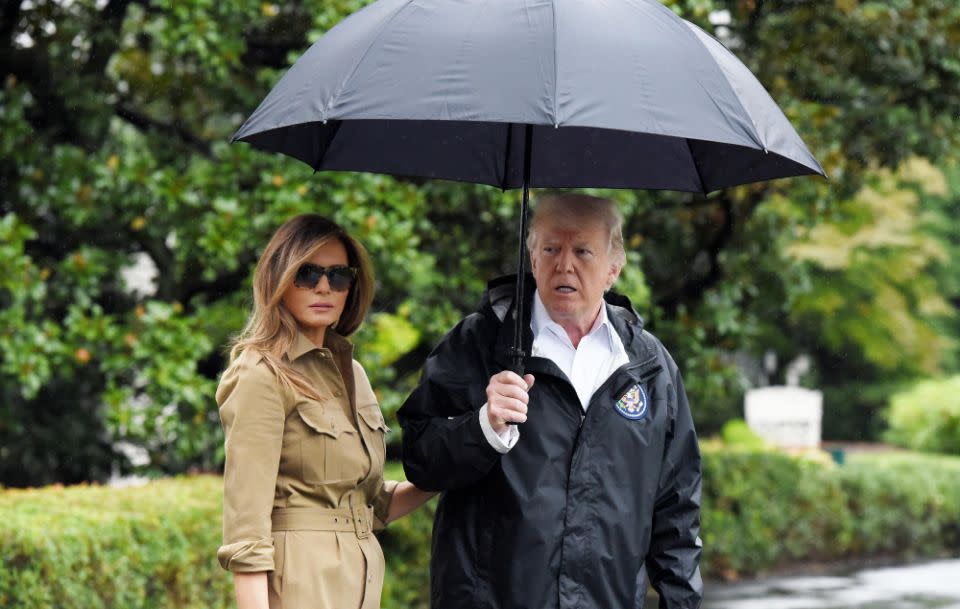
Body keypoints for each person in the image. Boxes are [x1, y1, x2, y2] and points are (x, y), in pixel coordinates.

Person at [398, 193, 703, 609]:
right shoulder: (480, 344)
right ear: (532, 257)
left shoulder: (648, 366)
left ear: (614, 268)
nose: (564, 264)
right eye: (551, 249)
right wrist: (482, 428)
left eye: (582, 251)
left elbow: (677, 508)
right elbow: (419, 457)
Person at [216, 214, 433, 609]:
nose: (323, 287)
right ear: (278, 279)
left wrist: (461, 460)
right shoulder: (260, 374)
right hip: (300, 587)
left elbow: (369, 505)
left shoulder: (353, 374)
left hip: (361, 584)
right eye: (307, 273)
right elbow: (246, 533)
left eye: (338, 276)